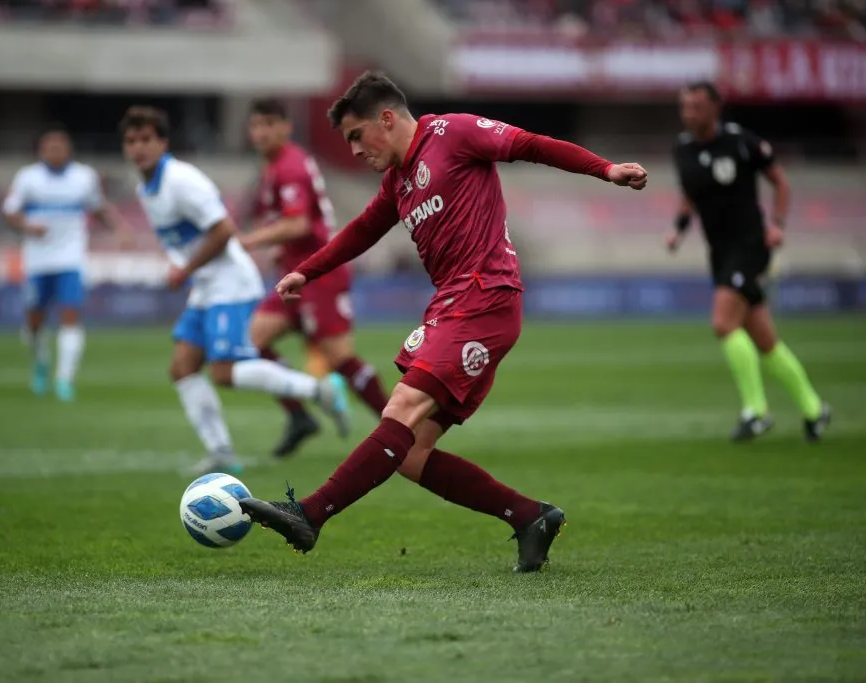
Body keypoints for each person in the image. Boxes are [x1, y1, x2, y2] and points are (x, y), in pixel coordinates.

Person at [237, 72, 648, 573]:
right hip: (453, 303)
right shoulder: (400, 179)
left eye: (356, 136)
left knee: (403, 405)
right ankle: (530, 517)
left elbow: (530, 144)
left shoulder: (452, 134)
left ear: (386, 119)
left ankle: (309, 514)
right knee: (411, 455)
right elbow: (364, 229)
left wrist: (604, 169)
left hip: (485, 295)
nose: (354, 150)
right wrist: (307, 269)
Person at [119, 106, 350, 475]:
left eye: (146, 139)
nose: (138, 148)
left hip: (230, 283)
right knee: (182, 367)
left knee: (225, 373)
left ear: (163, 143)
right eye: (131, 141)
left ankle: (317, 390)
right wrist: (187, 268)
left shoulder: (181, 180)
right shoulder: (144, 188)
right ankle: (222, 451)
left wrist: (186, 269)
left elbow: (224, 230)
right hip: (205, 286)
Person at [668, 81, 831, 442]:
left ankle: (756, 412)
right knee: (764, 339)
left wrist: (777, 224)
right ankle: (814, 409)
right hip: (720, 250)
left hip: (750, 244)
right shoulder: (682, 149)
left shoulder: (742, 142)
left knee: (724, 323)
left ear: (715, 108)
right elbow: (689, 195)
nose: (689, 113)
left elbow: (780, 182)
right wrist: (678, 231)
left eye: (696, 106)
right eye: (685, 107)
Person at [241, 98, 390, 458]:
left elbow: (298, 223)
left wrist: (246, 241)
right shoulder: (271, 167)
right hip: (293, 277)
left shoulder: (290, 166)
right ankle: (299, 416)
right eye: (255, 125)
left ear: (285, 127)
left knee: (340, 357)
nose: (260, 132)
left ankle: (396, 428)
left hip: (319, 274)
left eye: (268, 124)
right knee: (250, 341)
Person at [3, 126, 129, 402]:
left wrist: (120, 229)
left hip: (71, 258)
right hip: (37, 260)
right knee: (34, 322)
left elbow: (97, 208)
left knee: (70, 316)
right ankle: (41, 362)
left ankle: (64, 379)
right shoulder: (28, 178)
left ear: (69, 151)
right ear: (41, 151)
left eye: (60, 147)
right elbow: (10, 212)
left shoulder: (84, 177)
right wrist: (27, 226)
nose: (55, 152)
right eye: (50, 148)